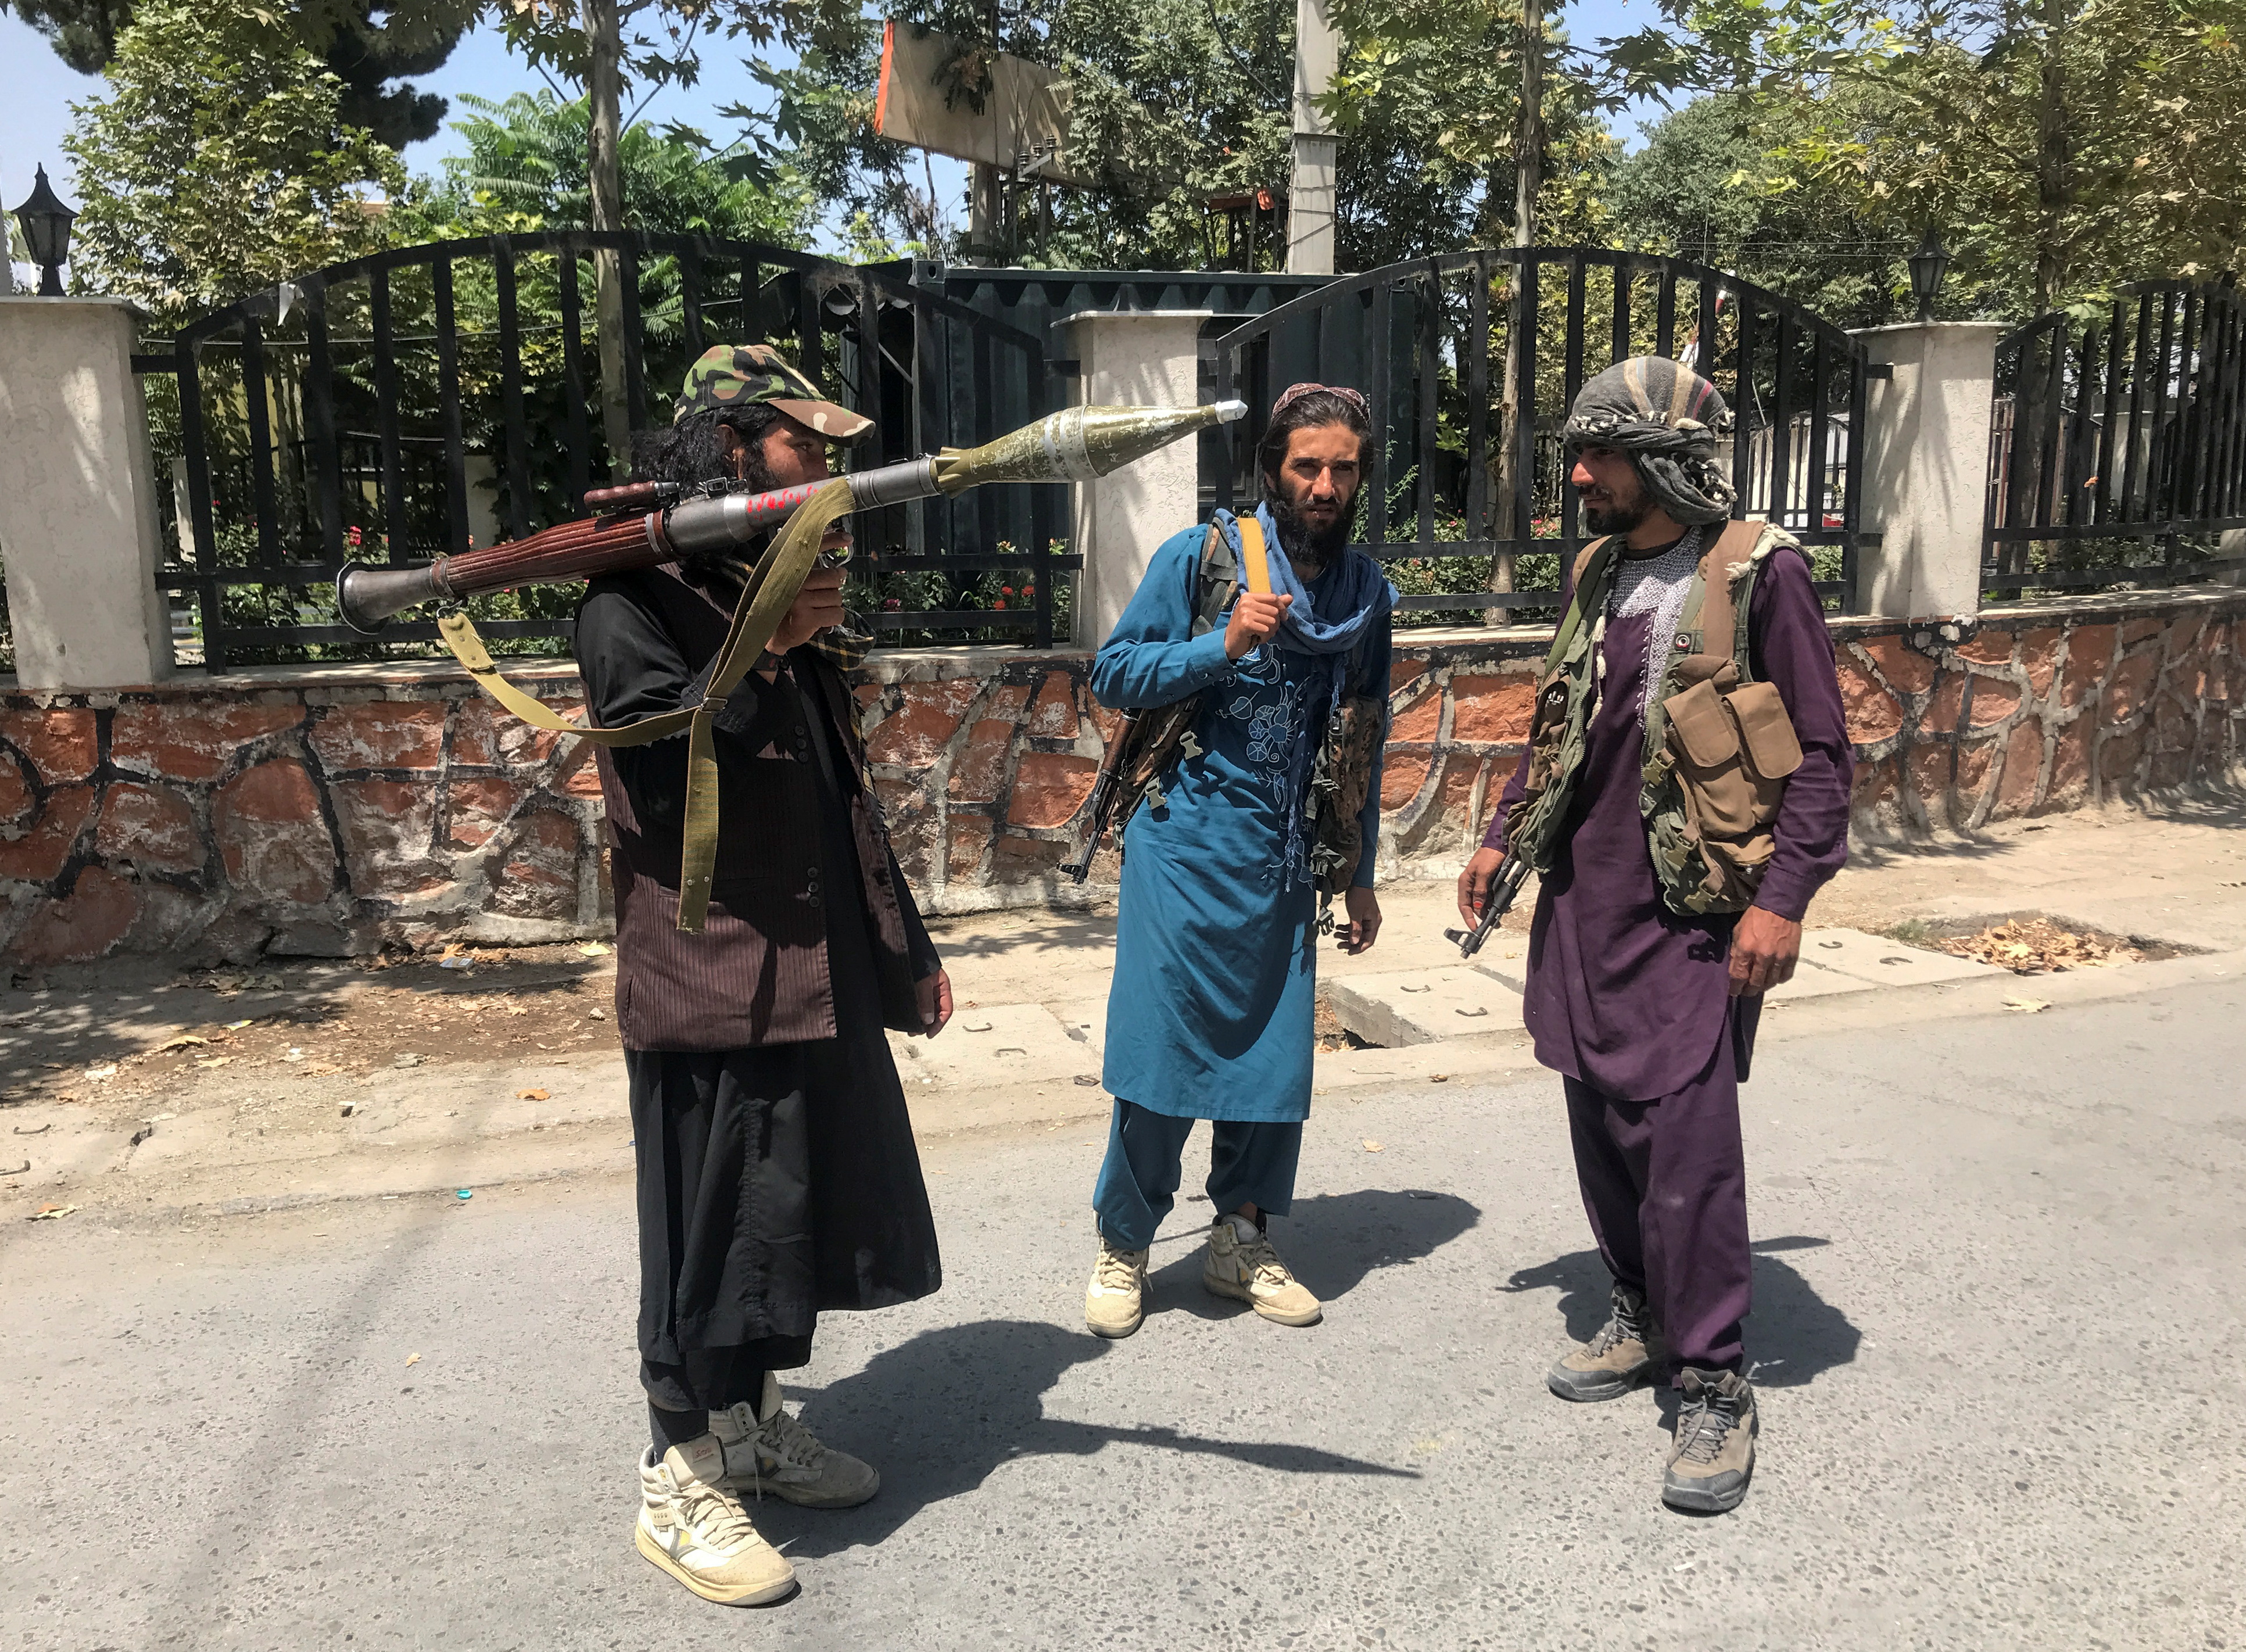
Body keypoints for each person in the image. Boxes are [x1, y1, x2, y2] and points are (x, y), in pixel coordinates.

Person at [573, 344, 953, 1606]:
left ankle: (747, 1424)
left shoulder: (775, 579)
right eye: (807, 444)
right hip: (713, 974)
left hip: (816, 966)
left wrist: (905, 952)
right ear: (732, 446)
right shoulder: (628, 596)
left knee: (786, 1213)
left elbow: (841, 789)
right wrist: (764, 650)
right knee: (708, 1219)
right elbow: (662, 771)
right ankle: (678, 1474)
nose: (829, 468)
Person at [1457, 356, 1852, 1515]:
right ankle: (1637, 1307)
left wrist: (1783, 900)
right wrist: (1498, 835)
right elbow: (1557, 722)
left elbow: (1821, 756)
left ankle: (1716, 1380)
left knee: (1684, 1148)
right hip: (1586, 898)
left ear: (1668, 462)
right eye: (1577, 455)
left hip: (1695, 906)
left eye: (1599, 456)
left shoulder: (1760, 573)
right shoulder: (1591, 568)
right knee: (1598, 1120)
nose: (1578, 475)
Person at [1081, 383, 1396, 1339]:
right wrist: (1220, 644)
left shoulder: (1364, 594)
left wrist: (1360, 871)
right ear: (1271, 471)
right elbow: (1115, 671)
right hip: (1182, 851)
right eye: (1307, 466)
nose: (1325, 485)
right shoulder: (1205, 558)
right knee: (1158, 1056)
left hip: (1284, 860)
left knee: (1270, 1066)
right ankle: (1124, 1244)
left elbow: (1363, 737)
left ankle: (1240, 1240)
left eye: (1342, 468)